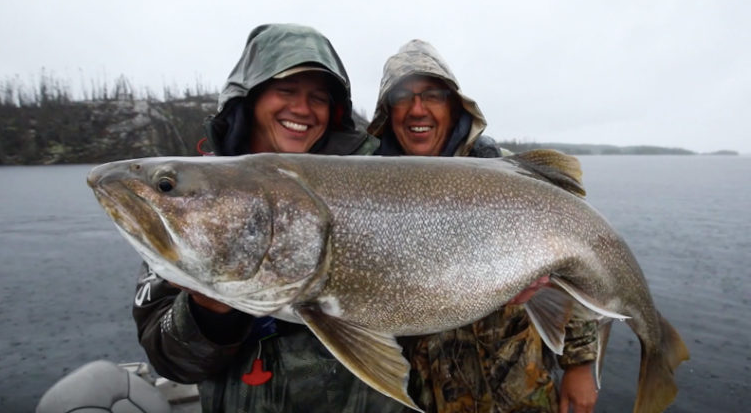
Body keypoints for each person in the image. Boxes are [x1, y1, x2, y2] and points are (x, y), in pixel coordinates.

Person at [132, 23, 405, 413]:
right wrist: (208, 313)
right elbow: (171, 360)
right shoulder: (197, 206)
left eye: (318, 97)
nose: (302, 108)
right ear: (252, 100)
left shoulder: (373, 184)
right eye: (286, 90)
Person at [368, 40, 599, 413]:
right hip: (424, 397)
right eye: (401, 96)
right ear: (386, 111)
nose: (417, 109)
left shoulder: (507, 175)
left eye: (433, 95)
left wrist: (581, 363)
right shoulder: (366, 191)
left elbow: (580, 259)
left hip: (520, 392)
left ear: (455, 104)